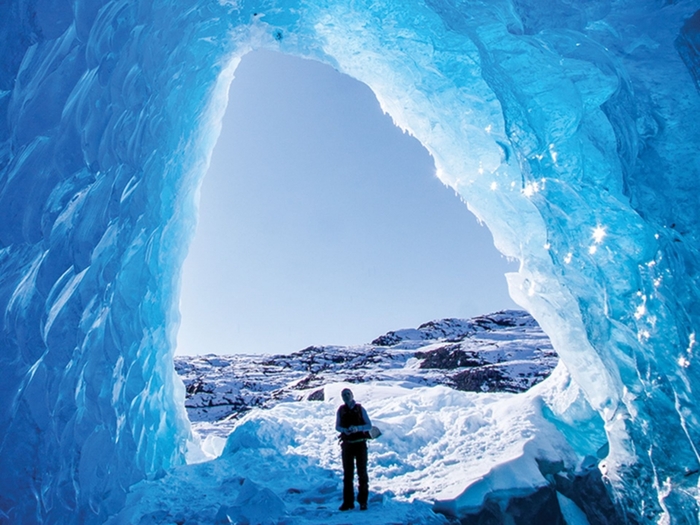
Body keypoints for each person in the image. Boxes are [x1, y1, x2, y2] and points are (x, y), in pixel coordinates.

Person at [335, 388, 372, 511]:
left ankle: (363, 501)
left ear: (352, 395)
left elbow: (369, 425)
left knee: (362, 473)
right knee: (348, 474)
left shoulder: (360, 409)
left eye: (348, 394)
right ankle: (348, 502)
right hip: (347, 445)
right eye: (343, 395)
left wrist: (358, 428)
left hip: (360, 444)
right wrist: (344, 430)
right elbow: (337, 426)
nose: (346, 396)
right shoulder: (341, 410)